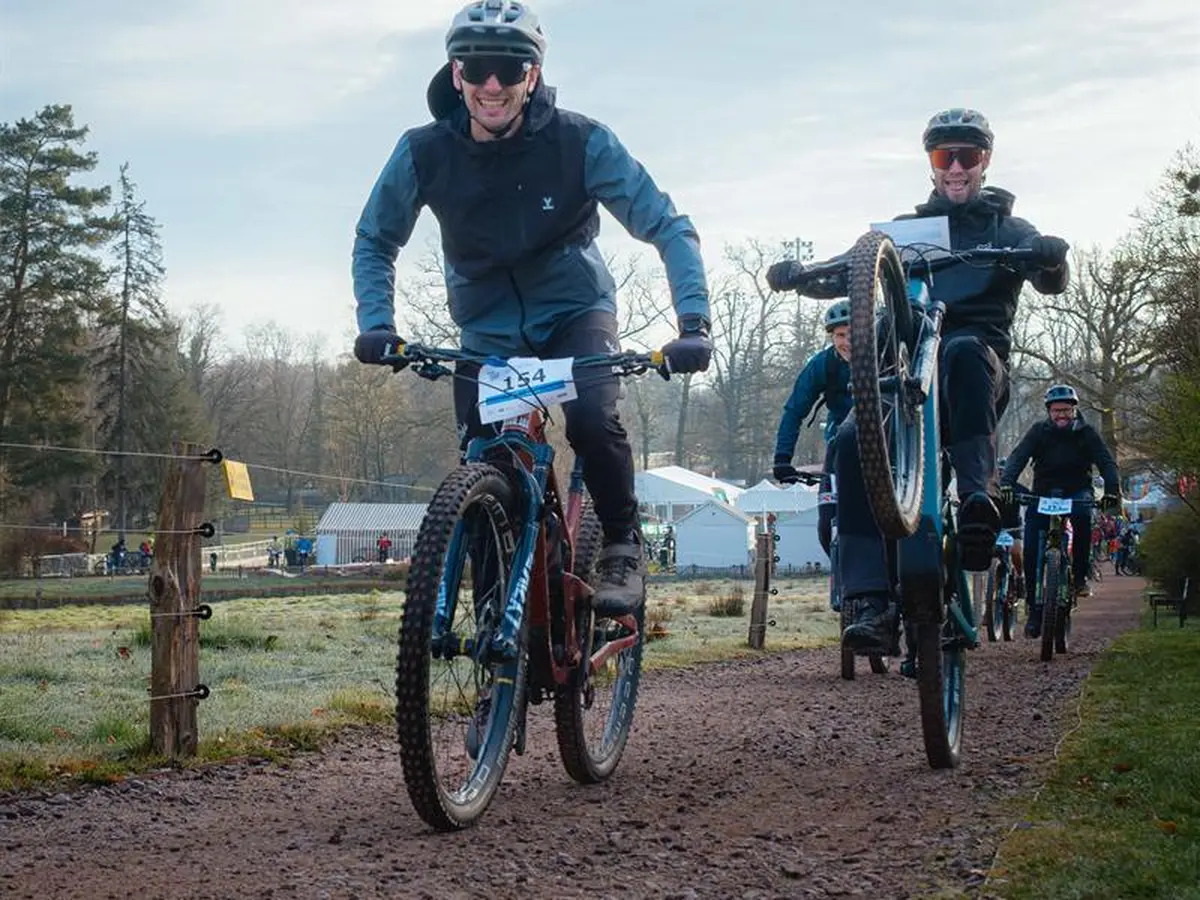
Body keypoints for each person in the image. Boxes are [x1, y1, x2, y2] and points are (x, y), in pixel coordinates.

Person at [351, 0, 711, 616]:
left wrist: (694, 323)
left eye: (510, 69)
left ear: (533, 75)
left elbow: (668, 227)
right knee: (485, 463)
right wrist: (377, 324)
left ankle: (621, 544)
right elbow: (375, 239)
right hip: (486, 332)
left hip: (575, 313)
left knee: (591, 420)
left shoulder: (581, 141)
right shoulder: (422, 152)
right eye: (477, 67)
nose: (492, 85)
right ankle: (499, 616)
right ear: (456, 73)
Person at [767, 107, 1072, 653]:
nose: (955, 167)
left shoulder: (1008, 230)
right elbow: (849, 271)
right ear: (931, 163)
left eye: (967, 156)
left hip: (974, 378)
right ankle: (869, 600)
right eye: (943, 156)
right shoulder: (904, 234)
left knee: (961, 349)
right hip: (906, 383)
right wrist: (801, 276)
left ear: (984, 161)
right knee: (849, 439)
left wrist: (1050, 258)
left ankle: (978, 501)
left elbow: (1051, 280)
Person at [1000, 384, 1120, 637]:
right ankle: (1033, 608)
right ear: (1049, 412)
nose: (1061, 415)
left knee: (1082, 518)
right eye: (1056, 411)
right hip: (1043, 493)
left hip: (1078, 491)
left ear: (1074, 410)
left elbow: (1106, 462)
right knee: (1031, 547)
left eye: (1066, 410)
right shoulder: (1038, 432)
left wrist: (1112, 490)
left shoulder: (1087, 433)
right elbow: (1018, 457)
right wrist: (1007, 483)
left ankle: (1079, 577)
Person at [772, 301, 852, 557]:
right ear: (832, 337)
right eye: (841, 335)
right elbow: (794, 411)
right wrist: (782, 458)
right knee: (827, 526)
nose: (848, 342)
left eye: (854, 334)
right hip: (841, 442)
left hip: (886, 441)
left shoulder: (884, 355)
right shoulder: (823, 364)